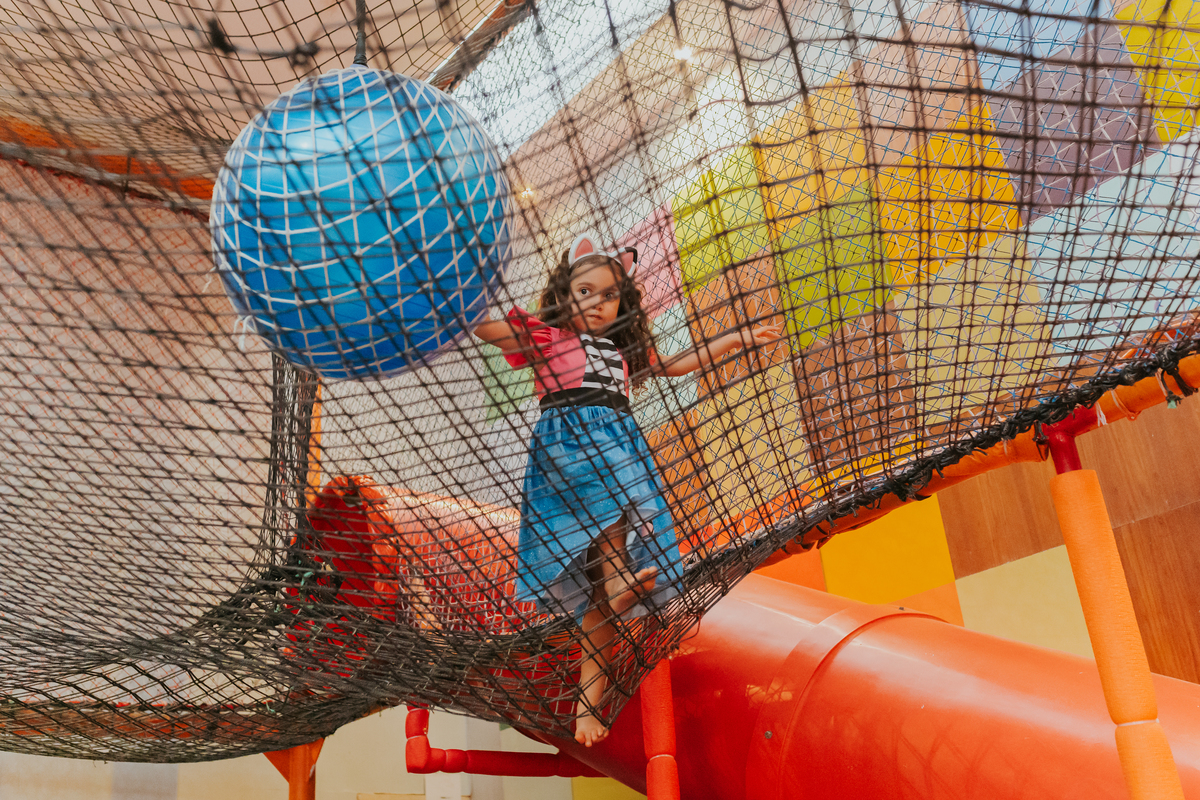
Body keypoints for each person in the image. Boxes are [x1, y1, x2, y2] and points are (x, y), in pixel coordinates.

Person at [473, 233, 782, 746]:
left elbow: (678, 364)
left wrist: (735, 338)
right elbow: (493, 330)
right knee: (621, 501)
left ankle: (586, 708)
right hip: (571, 451)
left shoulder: (620, 352)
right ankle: (619, 579)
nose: (597, 303)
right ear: (563, 297)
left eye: (609, 295)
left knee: (599, 616)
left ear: (624, 304)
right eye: (585, 291)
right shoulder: (548, 339)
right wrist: (448, 304)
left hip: (614, 444)